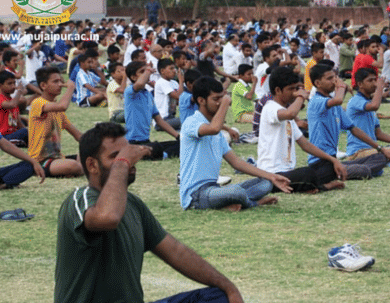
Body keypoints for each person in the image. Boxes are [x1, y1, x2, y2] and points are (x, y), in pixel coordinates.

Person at [54, 123, 252, 303]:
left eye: (127, 153)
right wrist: (123, 164)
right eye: (115, 156)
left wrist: (228, 287)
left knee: (217, 298)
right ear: (92, 165)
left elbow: (176, 251)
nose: (128, 160)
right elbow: (108, 217)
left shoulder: (133, 205)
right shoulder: (79, 200)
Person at [180, 77, 291, 211]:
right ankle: (252, 203)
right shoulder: (191, 122)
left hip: (214, 190)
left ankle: (230, 203)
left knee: (265, 183)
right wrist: (225, 102)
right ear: (201, 101)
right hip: (196, 195)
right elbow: (214, 128)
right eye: (216, 99)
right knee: (235, 192)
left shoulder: (218, 135)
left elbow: (236, 162)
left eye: (222, 97)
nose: (220, 102)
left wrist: (272, 176)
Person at [256, 66, 347, 193]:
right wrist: (301, 96)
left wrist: (333, 160)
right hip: (271, 173)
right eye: (291, 89)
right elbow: (290, 114)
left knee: (328, 168)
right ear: (278, 90)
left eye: (296, 88)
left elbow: (306, 145)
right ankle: (318, 186)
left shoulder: (288, 115)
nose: (295, 92)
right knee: (307, 174)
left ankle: (312, 186)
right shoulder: (270, 108)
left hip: (287, 172)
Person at [307, 61, 390, 179]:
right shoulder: (316, 101)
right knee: (363, 170)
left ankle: (343, 170)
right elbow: (339, 100)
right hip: (321, 162)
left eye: (335, 77)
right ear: (318, 83)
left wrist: (380, 148)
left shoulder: (335, 106)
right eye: (330, 78)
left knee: (380, 156)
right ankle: (337, 172)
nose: (334, 81)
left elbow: (354, 129)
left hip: (334, 160)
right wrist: (341, 86)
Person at [28, 67, 83, 177]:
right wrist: (70, 88)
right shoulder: (37, 103)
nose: (60, 85)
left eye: (60, 81)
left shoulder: (56, 110)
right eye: (55, 81)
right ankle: (79, 168)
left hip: (57, 158)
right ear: (43, 85)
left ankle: (80, 168)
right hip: (41, 160)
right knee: (74, 166)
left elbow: (78, 135)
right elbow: (62, 106)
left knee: (94, 156)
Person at [344, 68, 390, 161]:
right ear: (360, 84)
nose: (374, 83)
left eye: (375, 80)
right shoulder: (355, 101)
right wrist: (380, 87)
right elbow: (375, 106)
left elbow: (378, 134)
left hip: (374, 149)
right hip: (358, 152)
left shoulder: (369, 103)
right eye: (370, 80)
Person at [123, 61, 180, 159]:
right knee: (155, 147)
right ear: (133, 77)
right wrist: (149, 70)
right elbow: (140, 83)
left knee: (180, 145)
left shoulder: (148, 94)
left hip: (145, 141)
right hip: (132, 142)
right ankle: (160, 155)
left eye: (146, 71)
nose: (147, 73)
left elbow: (159, 120)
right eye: (142, 71)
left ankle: (160, 154)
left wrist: (178, 137)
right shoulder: (129, 92)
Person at [0, 70, 29, 145]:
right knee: (25, 132)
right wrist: (19, 91)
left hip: (13, 134)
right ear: (0, 86)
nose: (13, 86)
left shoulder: (12, 100)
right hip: (3, 137)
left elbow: (19, 123)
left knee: (27, 130)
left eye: (14, 83)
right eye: (9, 84)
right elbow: (12, 105)